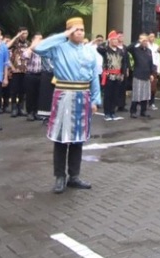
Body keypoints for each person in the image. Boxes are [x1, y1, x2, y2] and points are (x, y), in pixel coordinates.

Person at [34, 17, 101, 194]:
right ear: (69, 31)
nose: (79, 32)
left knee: (78, 139)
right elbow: (38, 48)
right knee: (61, 138)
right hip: (64, 94)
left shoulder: (89, 51)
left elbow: (94, 76)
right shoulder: (58, 48)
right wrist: (63, 35)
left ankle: (74, 176)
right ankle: (59, 177)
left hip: (83, 96)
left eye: (81, 29)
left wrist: (95, 100)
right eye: (75, 29)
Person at [97, 30, 129, 120]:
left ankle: (112, 112)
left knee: (115, 95)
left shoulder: (120, 51)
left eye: (116, 40)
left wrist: (123, 73)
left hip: (117, 75)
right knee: (108, 95)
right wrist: (106, 42)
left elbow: (124, 63)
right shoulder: (106, 50)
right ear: (110, 40)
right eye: (113, 39)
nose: (115, 41)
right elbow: (98, 48)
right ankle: (107, 112)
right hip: (108, 75)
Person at [127, 34, 156, 118]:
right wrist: (138, 41)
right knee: (137, 94)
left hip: (147, 75)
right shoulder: (136, 49)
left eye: (146, 40)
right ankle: (133, 111)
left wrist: (152, 73)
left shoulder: (149, 51)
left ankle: (143, 111)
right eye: (143, 40)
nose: (145, 42)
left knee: (145, 95)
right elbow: (128, 48)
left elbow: (151, 63)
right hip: (138, 75)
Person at [7, 28, 29, 117]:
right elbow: (7, 48)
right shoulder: (14, 43)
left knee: (22, 90)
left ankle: (21, 108)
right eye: (22, 33)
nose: (24, 35)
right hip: (15, 70)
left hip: (25, 70)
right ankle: (14, 108)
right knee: (14, 90)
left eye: (26, 33)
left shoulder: (28, 43)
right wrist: (11, 67)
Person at [22, 33, 44, 122]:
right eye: (38, 39)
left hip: (40, 74)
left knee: (38, 94)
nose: (40, 41)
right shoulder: (29, 49)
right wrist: (33, 46)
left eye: (41, 39)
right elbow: (25, 56)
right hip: (30, 75)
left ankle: (36, 112)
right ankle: (30, 112)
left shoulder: (42, 50)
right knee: (30, 94)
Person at [147, 32, 160, 110]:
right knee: (146, 86)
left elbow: (158, 58)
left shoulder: (156, 46)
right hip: (147, 68)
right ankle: (144, 102)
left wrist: (158, 69)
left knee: (153, 87)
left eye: (153, 36)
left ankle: (151, 103)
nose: (152, 38)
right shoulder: (146, 46)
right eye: (150, 36)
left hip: (154, 67)